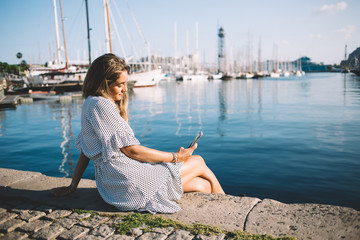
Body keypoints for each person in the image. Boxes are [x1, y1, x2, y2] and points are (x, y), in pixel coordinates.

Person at [51, 53, 225, 214]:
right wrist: (175, 157)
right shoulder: (101, 106)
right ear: (103, 83)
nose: (125, 89)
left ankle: (223, 201)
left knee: (202, 186)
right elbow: (132, 151)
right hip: (127, 181)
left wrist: (73, 186)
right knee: (198, 161)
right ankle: (228, 207)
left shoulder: (90, 104)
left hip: (114, 184)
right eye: (120, 84)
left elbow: (85, 151)